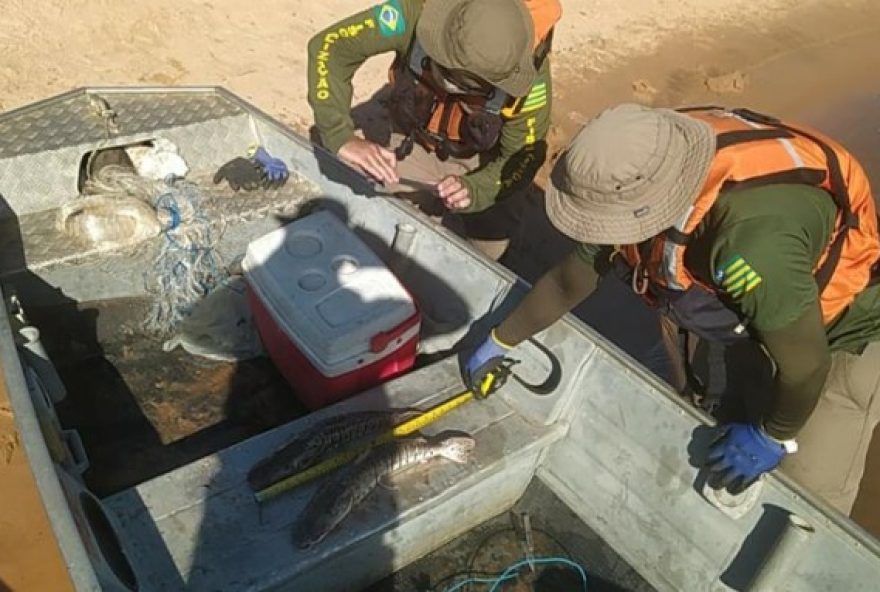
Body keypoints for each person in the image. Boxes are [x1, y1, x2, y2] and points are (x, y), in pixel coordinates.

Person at [463, 103, 880, 515]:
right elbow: (571, 278)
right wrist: (502, 338)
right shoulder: (643, 159)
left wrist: (773, 436)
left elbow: (807, 366)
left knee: (805, 494)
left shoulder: (750, 245)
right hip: (759, 310)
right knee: (726, 426)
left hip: (838, 336)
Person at [306, 0, 562, 259]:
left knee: (491, 249)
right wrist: (340, 135)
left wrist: (476, 189)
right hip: (414, 139)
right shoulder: (415, 14)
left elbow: (524, 156)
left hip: (483, 161)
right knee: (376, 214)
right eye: (449, 77)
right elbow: (331, 46)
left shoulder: (527, 77)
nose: (455, 87)